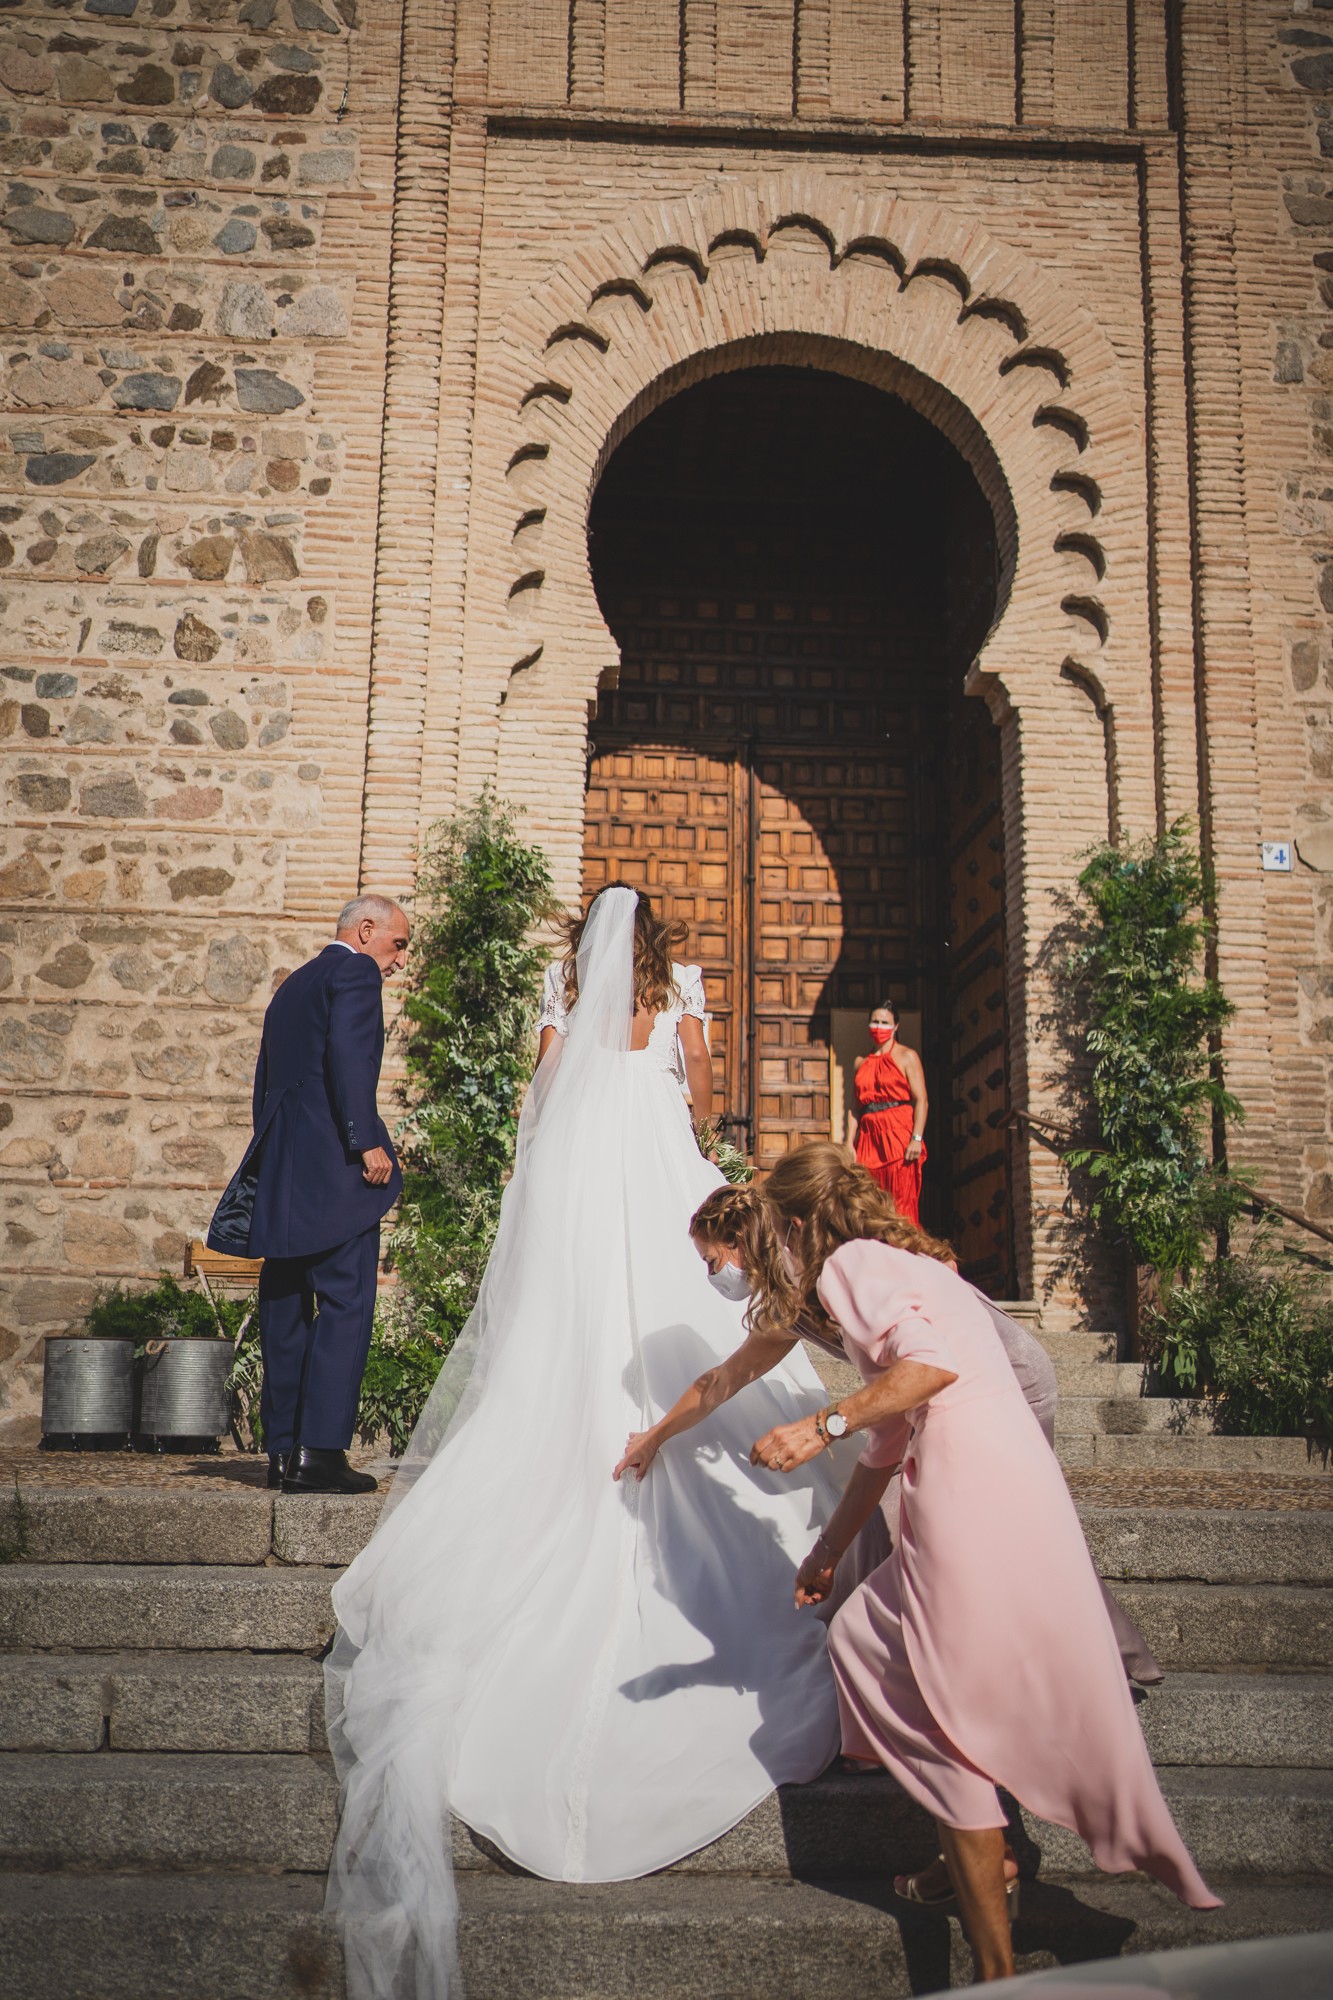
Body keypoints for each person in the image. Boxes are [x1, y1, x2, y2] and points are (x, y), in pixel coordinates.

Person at [323, 885, 843, 2000]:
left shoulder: (562, 992)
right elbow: (699, 1087)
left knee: (564, 1338)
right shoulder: (680, 993)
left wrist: (543, 1166)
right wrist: (696, 1132)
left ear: (586, 945)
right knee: (688, 1310)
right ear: (654, 942)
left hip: (575, 1180)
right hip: (660, 1173)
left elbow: (545, 1089)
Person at [749, 1143, 1220, 1979]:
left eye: (777, 1235)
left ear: (795, 1223)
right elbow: (888, 1439)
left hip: (966, 1488)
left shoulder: (848, 1265)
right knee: (878, 1644)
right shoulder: (912, 1262)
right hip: (1016, 1479)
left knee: (902, 1669)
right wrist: (827, 1551)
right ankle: (973, 1864)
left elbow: (930, 1367)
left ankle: (991, 1942)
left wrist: (818, 1426)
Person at [619, 1176, 1162, 1690]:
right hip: (933, 1396)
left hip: (1004, 1379)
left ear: (740, 1242)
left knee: (998, 1527)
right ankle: (1063, 1661)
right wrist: (655, 1436)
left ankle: (1065, 1664)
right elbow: (721, 1381)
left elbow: (925, 1346)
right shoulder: (788, 1306)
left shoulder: (837, 1266)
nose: (712, 1276)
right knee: (986, 1528)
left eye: (712, 1261)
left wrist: (825, 1428)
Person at [207, 893, 409, 1496]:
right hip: (337, 1176)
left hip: (285, 1177)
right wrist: (365, 1141)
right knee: (346, 1304)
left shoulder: (292, 985)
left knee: (284, 1310)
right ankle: (319, 1453)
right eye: (398, 944)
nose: (400, 959)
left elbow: (265, 1085)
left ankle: (282, 1453)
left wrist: (276, 1164)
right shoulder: (355, 972)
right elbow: (349, 1060)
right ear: (365, 930)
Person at [853, 999, 928, 1224]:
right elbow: (854, 1107)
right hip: (869, 1137)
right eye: (875, 1021)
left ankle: (903, 1245)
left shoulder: (907, 1056)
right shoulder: (860, 1062)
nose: (879, 1027)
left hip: (898, 1134)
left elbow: (922, 1100)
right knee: (869, 1202)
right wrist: (848, 1143)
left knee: (901, 1202)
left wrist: (916, 1138)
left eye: (885, 1022)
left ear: (896, 1026)